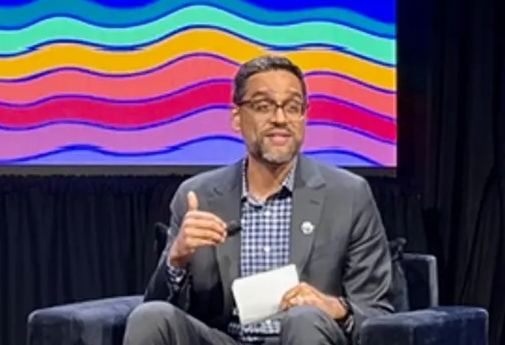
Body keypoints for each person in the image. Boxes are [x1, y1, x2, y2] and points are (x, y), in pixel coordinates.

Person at [123, 55, 393, 345]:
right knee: (150, 317)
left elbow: (377, 313)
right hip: (225, 339)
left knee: (303, 319)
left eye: (293, 107)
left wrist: (336, 308)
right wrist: (176, 259)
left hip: (306, 336)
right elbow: (157, 303)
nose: (280, 119)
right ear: (237, 118)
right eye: (264, 106)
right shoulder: (198, 196)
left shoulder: (348, 195)